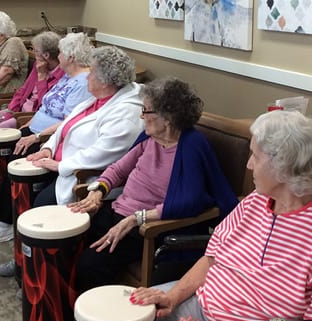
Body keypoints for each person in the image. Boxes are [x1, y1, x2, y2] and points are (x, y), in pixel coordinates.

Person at [109, 109, 312, 321]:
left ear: (284, 166)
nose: (249, 165)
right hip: (202, 304)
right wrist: (175, 296)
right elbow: (213, 256)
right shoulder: (255, 202)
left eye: (256, 156)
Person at [68, 77, 238, 291]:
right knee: (68, 240)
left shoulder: (192, 146)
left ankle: (96, 319)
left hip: (147, 229)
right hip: (117, 212)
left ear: (167, 117)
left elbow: (191, 201)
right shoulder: (150, 139)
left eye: (146, 110)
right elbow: (118, 169)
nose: (141, 115)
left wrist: (137, 218)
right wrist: (98, 191)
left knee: (90, 264)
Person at [0, 45, 145, 278]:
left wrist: (60, 165)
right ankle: (23, 261)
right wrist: (47, 149)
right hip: (63, 166)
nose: (88, 75)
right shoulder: (97, 98)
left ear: (106, 81)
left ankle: (42, 275)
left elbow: (104, 152)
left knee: (40, 203)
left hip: (84, 177)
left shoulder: (127, 112)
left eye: (93, 72)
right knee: (19, 188)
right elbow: (65, 126)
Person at [0, 32, 93, 250]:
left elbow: (69, 123)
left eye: (63, 52)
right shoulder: (67, 75)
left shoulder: (84, 82)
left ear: (72, 56)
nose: (60, 55)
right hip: (33, 128)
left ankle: (3, 223)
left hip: (48, 138)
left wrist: (36, 136)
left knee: (12, 160)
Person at [0, 31, 65, 129]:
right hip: (19, 110)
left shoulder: (61, 75)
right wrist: (11, 111)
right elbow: (22, 90)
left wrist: (41, 78)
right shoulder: (37, 65)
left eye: (35, 51)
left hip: (30, 117)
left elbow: (45, 105)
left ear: (46, 55)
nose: (34, 52)